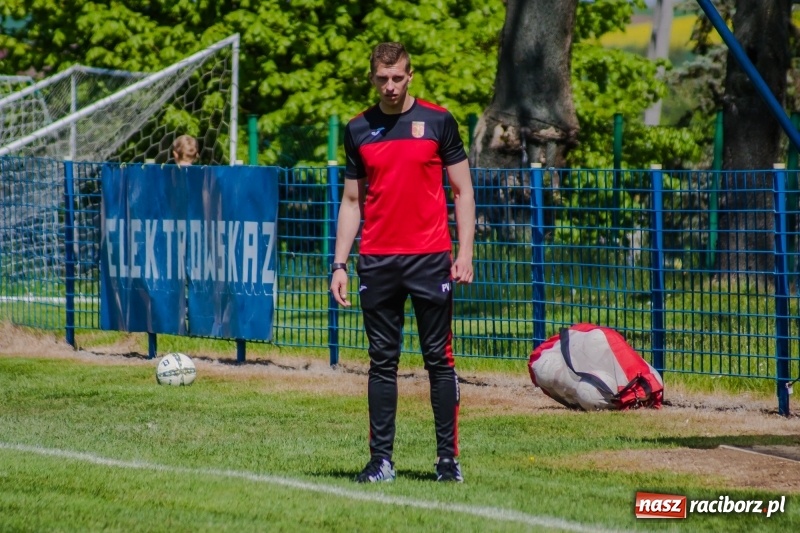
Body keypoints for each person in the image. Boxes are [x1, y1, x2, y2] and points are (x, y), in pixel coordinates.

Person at [330, 42, 475, 483]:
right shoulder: (357, 129)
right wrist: (339, 264)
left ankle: (448, 463)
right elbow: (352, 201)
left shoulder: (438, 121)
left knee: (439, 360)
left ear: (410, 76)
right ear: (372, 79)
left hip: (431, 260)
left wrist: (465, 253)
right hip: (377, 261)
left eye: (397, 78)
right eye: (382, 79)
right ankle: (381, 462)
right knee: (382, 362)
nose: (390, 87)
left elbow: (463, 191)